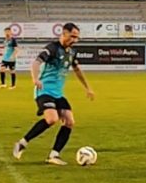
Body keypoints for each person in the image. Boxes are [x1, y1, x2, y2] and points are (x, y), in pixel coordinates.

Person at [12, 23, 95, 165]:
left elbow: (77, 70)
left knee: (69, 122)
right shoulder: (52, 48)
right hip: (44, 90)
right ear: (64, 33)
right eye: (72, 36)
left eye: (77, 38)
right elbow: (36, 63)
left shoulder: (71, 52)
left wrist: (88, 88)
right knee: (52, 119)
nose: (74, 40)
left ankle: (54, 155)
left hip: (58, 93)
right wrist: (35, 79)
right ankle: (22, 143)